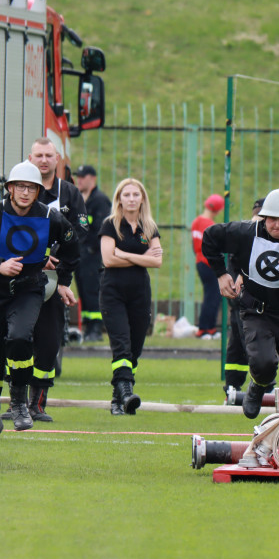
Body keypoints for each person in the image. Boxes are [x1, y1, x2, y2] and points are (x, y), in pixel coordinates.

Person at [0, 162, 79, 441]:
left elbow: (73, 244)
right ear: (10, 189)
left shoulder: (50, 216)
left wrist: (63, 281)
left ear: (38, 192)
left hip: (29, 289)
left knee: (19, 337)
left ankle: (18, 405)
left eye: (32, 188)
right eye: (21, 187)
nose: (25, 193)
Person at [202, 186, 279, 419]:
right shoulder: (246, 232)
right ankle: (258, 384)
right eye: (272, 219)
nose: (277, 225)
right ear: (264, 217)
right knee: (264, 363)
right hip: (257, 312)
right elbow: (210, 237)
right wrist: (221, 274)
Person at [22, 137, 87, 422]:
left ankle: (37, 403)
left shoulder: (70, 193)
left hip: (53, 282)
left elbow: (80, 236)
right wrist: (36, 255)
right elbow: (9, 232)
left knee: (49, 344)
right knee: (17, 341)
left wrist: (62, 279)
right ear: (30, 158)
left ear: (57, 158)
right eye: (39, 155)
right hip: (21, 281)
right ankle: (16, 403)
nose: (44, 160)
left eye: (49, 155)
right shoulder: (19, 191)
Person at [99, 178, 163, 415]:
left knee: (135, 347)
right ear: (119, 199)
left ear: (142, 198)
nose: (132, 199)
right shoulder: (109, 225)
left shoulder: (149, 227)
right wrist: (141, 257)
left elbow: (156, 261)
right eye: (127, 195)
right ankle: (126, 392)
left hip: (140, 294)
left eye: (136, 195)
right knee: (122, 345)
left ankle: (118, 400)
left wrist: (123, 253)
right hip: (113, 292)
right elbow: (108, 259)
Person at [222, 197, 265, 397]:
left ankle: (252, 384)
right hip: (242, 302)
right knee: (241, 343)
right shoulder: (243, 237)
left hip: (260, 303)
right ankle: (234, 385)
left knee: (245, 343)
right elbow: (232, 268)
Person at [73, 164, 109, 342]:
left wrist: (92, 248)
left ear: (92, 178)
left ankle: (96, 328)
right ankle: (88, 325)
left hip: (93, 254)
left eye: (83, 176)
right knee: (83, 290)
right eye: (78, 176)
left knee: (92, 290)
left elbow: (101, 228)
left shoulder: (100, 200)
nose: (79, 179)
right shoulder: (80, 200)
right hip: (80, 254)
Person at [191, 194, 225, 338]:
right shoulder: (211, 226)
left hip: (200, 261)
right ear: (217, 211)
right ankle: (204, 328)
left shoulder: (196, 222)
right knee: (213, 297)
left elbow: (194, 246)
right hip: (209, 263)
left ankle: (209, 328)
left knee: (210, 295)